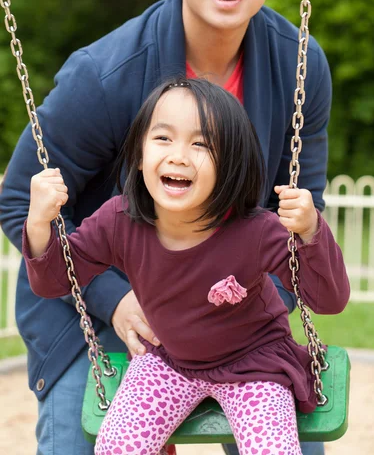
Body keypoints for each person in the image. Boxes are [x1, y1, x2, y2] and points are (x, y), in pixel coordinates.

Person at [0, 0, 332, 455]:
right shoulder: (103, 77)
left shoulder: (299, 63)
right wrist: (115, 300)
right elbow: (15, 201)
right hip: (99, 306)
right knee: (85, 439)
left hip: (236, 309)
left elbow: (302, 203)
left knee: (289, 437)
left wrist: (254, 307)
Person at [23, 78, 350, 455]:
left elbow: (329, 299)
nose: (179, 155)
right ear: (140, 154)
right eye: (163, 138)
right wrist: (38, 225)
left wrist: (310, 233)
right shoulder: (120, 220)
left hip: (255, 366)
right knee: (117, 447)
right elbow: (54, 281)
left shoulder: (255, 230)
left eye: (201, 144)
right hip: (167, 361)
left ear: (230, 164)